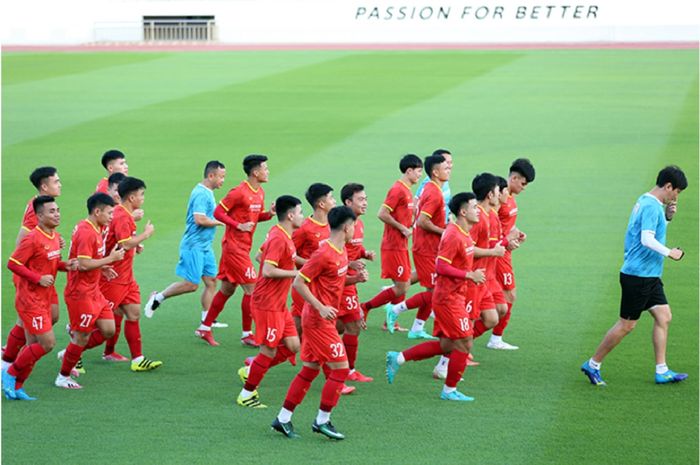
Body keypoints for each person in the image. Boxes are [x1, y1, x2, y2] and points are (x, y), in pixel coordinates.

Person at [582, 166, 688, 386]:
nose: (676, 196)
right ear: (668, 186)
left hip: (649, 276)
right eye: (676, 191)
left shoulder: (648, 201)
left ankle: (662, 370)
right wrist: (671, 253)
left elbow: (652, 230)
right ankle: (593, 364)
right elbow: (646, 239)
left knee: (663, 316)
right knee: (626, 325)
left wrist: (667, 218)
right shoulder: (650, 206)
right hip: (638, 276)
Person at [386, 193, 486, 401]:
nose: (478, 210)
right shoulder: (453, 235)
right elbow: (441, 266)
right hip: (447, 298)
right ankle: (449, 390)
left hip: (456, 295)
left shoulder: (464, 233)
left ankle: (399, 358)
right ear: (463, 211)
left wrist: (498, 249)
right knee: (465, 341)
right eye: (475, 207)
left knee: (447, 345)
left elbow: (466, 254)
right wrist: (469, 275)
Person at [271, 206, 356, 440]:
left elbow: (334, 282)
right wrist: (320, 307)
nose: (355, 231)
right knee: (341, 369)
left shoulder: (342, 251)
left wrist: (355, 278)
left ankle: (283, 418)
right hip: (318, 321)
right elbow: (299, 282)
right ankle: (322, 421)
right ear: (347, 227)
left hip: (324, 318)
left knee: (309, 370)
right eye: (354, 227)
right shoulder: (324, 253)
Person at [2, 196, 77, 400]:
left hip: (43, 298)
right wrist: (37, 278)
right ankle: (8, 373)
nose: (57, 214)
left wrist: (65, 266)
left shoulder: (54, 236)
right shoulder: (32, 238)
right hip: (30, 300)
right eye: (51, 211)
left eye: (58, 210)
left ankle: (17, 387)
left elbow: (50, 263)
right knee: (47, 343)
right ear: (39, 216)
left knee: (33, 345)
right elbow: (13, 263)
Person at [196, 155, 274, 347]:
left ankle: (204, 328)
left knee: (227, 289)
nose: (268, 171)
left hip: (243, 248)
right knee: (253, 289)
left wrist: (269, 215)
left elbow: (254, 217)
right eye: (265, 168)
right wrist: (237, 225)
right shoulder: (238, 192)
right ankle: (247, 334)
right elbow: (218, 213)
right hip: (233, 248)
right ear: (255, 172)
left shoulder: (260, 192)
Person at [236, 195, 304, 408]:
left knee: (293, 345)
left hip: (277, 303)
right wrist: (295, 273)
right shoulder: (279, 238)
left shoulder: (281, 234)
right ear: (291, 215)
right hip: (267, 303)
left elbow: (259, 257)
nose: (302, 216)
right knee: (269, 350)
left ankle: (251, 369)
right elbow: (267, 269)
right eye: (300, 212)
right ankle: (247, 394)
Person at [55, 193, 126, 389]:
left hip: (93, 290)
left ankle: (70, 351)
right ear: (97, 211)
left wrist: (102, 267)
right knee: (82, 336)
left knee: (108, 330)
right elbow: (84, 264)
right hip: (80, 293)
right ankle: (63, 376)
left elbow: (85, 260)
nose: (112, 216)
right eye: (110, 213)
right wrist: (110, 260)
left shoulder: (96, 227)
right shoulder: (87, 232)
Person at [143, 161, 226, 320]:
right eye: (221, 177)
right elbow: (199, 219)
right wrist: (220, 221)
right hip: (194, 245)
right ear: (211, 176)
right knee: (191, 285)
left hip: (205, 246)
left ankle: (207, 321)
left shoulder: (208, 192)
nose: (223, 180)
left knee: (211, 281)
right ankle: (158, 298)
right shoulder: (201, 194)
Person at [2, 167, 63, 373]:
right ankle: (11, 361)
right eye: (56, 181)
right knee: (28, 320)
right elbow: (24, 244)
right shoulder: (35, 212)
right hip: (32, 276)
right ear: (44, 186)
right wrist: (35, 276)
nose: (60, 184)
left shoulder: (44, 205)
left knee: (51, 316)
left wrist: (54, 244)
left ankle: (14, 357)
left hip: (43, 272)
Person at [99, 177, 161, 371]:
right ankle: (71, 353)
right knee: (101, 326)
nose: (143, 198)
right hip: (114, 277)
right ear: (132, 197)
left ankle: (137, 359)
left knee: (133, 314)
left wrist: (137, 244)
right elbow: (125, 243)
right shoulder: (122, 216)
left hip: (127, 277)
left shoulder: (123, 213)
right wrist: (146, 234)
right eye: (141, 194)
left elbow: (123, 241)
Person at [386, 153, 451, 339]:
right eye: (446, 168)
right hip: (426, 249)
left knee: (433, 290)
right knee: (435, 292)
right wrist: (443, 232)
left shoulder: (432, 189)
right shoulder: (434, 193)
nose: (449, 170)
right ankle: (395, 309)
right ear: (436, 172)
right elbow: (423, 221)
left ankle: (417, 328)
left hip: (429, 247)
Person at [360, 154, 422, 329]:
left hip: (400, 245)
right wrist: (402, 228)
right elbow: (382, 213)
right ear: (408, 171)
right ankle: (365, 307)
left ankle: (390, 323)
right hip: (393, 245)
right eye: (418, 172)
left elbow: (402, 217)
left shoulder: (407, 191)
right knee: (402, 286)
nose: (419, 175)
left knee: (403, 283)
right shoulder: (398, 190)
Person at [490, 158, 535, 350]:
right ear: (514, 178)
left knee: (500, 297)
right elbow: (490, 227)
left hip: (504, 252)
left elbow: (505, 225)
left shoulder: (511, 198)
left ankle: (494, 337)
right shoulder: (499, 199)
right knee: (508, 297)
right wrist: (506, 241)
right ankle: (494, 338)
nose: (524, 188)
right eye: (523, 183)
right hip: (498, 254)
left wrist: (516, 232)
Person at [337, 183, 373, 383]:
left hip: (349, 281)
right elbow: (333, 251)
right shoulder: (341, 225)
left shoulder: (358, 224)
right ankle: (347, 371)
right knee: (353, 326)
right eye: (361, 199)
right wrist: (350, 263)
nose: (365, 203)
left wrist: (364, 254)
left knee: (339, 327)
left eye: (366, 199)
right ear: (348, 202)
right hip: (341, 283)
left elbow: (354, 247)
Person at [290, 183, 336, 336]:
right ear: (321, 204)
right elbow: (290, 255)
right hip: (304, 284)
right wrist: (312, 264)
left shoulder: (332, 224)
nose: (334, 201)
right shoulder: (304, 229)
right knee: (301, 324)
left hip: (324, 284)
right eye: (331, 198)